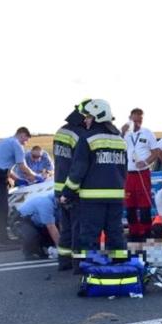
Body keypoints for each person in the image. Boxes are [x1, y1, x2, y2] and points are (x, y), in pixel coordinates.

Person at [61, 99, 128, 270]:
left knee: (89, 237)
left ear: (98, 116)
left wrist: (67, 192)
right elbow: (123, 169)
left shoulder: (88, 138)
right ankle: (120, 268)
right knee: (116, 235)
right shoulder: (120, 140)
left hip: (92, 198)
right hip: (115, 197)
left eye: (89, 116)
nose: (86, 120)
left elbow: (78, 170)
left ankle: (90, 272)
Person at [0, 127, 37, 244]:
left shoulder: (3, 142)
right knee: (1, 209)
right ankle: (3, 238)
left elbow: (5, 167)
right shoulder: (16, 144)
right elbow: (22, 166)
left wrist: (18, 180)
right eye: (26, 140)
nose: (25, 143)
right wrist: (35, 176)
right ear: (22, 135)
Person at [52, 101, 89, 271]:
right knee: (78, 228)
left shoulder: (61, 131)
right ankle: (78, 263)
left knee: (65, 227)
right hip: (73, 188)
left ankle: (64, 261)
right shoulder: (79, 135)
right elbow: (79, 165)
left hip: (59, 187)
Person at [120, 108, 159, 242]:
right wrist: (121, 132)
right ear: (129, 118)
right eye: (134, 120)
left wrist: (146, 162)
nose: (137, 123)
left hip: (142, 174)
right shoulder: (124, 134)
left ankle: (146, 233)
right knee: (130, 206)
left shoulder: (147, 133)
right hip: (128, 174)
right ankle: (133, 233)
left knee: (144, 206)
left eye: (139, 120)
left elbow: (156, 152)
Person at [17, 192, 61, 260]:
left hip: (37, 223)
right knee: (32, 235)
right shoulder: (46, 203)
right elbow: (51, 227)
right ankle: (29, 252)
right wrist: (60, 248)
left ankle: (42, 248)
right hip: (21, 221)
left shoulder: (58, 205)